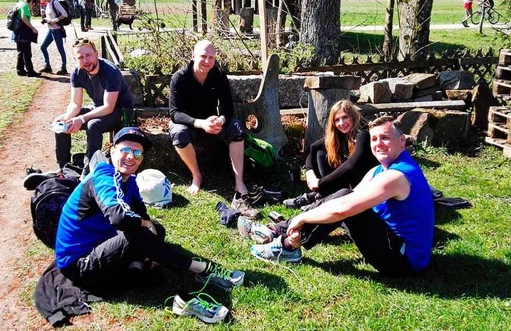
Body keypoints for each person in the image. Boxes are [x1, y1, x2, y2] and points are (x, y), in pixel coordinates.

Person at [54, 126, 244, 321]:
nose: (131, 157)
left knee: (155, 230)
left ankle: (141, 264)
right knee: (136, 235)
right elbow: (118, 217)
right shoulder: (104, 176)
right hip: (78, 264)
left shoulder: (128, 180)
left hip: (100, 241)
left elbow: (141, 213)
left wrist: (148, 224)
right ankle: (199, 268)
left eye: (137, 153)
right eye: (125, 150)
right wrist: (144, 225)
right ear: (112, 151)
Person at [247, 116, 434, 277]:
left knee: (345, 205)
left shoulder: (397, 176)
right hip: (391, 238)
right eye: (374, 139)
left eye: (385, 138)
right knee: (344, 196)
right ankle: (280, 230)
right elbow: (349, 197)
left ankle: (287, 245)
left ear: (402, 141)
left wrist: (301, 217)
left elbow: (344, 208)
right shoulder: (381, 168)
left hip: (403, 260)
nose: (378, 144)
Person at [168, 40, 257, 217]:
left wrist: (220, 120)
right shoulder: (179, 77)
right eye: (203, 56)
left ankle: (239, 181)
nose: (207, 61)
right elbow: (174, 113)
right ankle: (196, 176)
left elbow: (228, 108)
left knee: (236, 128)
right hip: (188, 123)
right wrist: (200, 123)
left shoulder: (218, 75)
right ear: (193, 57)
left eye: (211, 57)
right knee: (178, 133)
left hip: (212, 121)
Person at [52, 37, 135, 172]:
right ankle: (63, 166)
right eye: (80, 57)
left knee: (93, 125)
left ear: (96, 53)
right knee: (61, 123)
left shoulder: (110, 71)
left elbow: (109, 107)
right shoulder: (77, 72)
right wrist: (67, 118)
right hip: (97, 107)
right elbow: (75, 103)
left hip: (119, 110)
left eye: (88, 55)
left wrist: (82, 118)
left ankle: (90, 169)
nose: (85, 61)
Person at [283, 100, 377, 209]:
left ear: (353, 116)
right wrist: (309, 173)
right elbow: (312, 148)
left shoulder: (364, 133)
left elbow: (351, 165)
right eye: (337, 120)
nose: (341, 123)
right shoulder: (341, 133)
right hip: (348, 181)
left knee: (346, 166)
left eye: (345, 117)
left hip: (365, 183)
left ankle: (321, 196)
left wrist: (320, 183)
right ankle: (322, 196)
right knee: (321, 152)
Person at [38, 0, 68, 75]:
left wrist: (54, 20)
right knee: (43, 47)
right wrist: (45, 20)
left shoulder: (55, 2)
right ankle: (47, 66)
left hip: (57, 29)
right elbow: (49, 16)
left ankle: (64, 68)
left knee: (60, 49)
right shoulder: (48, 4)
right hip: (50, 30)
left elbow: (64, 14)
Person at [13, 0, 40, 77]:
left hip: (17, 32)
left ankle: (20, 70)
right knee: (27, 53)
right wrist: (33, 28)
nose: (32, 7)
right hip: (24, 33)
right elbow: (24, 17)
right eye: (33, 4)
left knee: (20, 52)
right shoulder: (25, 6)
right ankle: (30, 71)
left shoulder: (19, 4)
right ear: (31, 2)